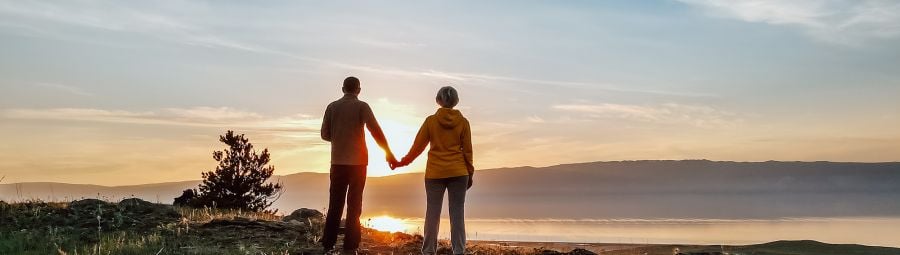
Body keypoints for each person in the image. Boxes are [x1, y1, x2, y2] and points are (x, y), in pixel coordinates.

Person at [320, 76, 398, 255]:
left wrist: (339, 136)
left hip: (338, 161)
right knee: (355, 204)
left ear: (342, 89)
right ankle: (350, 246)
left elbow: (325, 134)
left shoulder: (332, 107)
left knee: (335, 204)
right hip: (358, 163)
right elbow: (375, 130)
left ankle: (328, 244)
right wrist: (388, 152)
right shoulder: (362, 106)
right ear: (359, 90)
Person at [394, 86, 474, 255]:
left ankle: (429, 251)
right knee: (457, 213)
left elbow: (418, 147)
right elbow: (467, 151)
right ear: (456, 101)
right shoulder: (463, 122)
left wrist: (404, 162)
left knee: (432, 212)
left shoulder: (431, 121)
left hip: (434, 173)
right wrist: (470, 173)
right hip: (459, 172)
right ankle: (459, 251)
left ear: (438, 100)